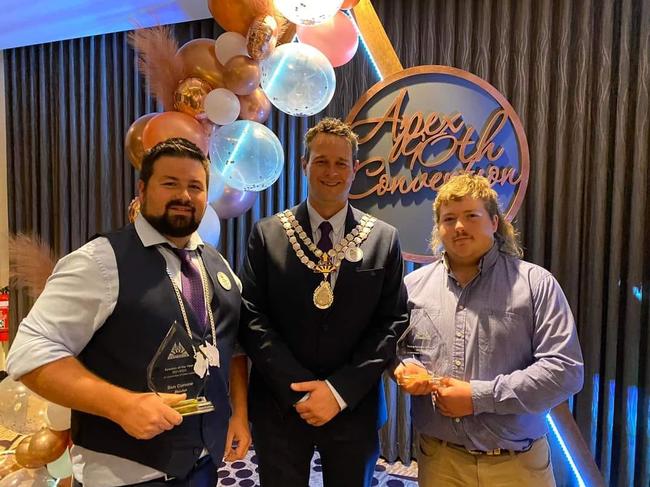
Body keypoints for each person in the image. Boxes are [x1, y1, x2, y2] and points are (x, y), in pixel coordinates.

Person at [6, 138, 251, 487]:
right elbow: (30, 352)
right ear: (142, 189)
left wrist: (238, 413)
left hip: (203, 466)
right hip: (123, 475)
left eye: (195, 186)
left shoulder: (216, 264)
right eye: (170, 183)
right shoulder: (99, 261)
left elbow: (234, 345)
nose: (183, 195)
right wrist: (121, 405)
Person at [238, 117, 408, 487]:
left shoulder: (383, 239)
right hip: (281, 407)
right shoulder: (267, 234)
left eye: (341, 163)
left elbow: (392, 322)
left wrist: (338, 391)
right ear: (304, 165)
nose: (331, 171)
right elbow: (252, 318)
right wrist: (299, 389)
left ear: (354, 170)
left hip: (354, 406)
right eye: (321, 161)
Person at [395, 173, 584, 487]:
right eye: (449, 218)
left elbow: (564, 371)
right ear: (438, 228)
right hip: (440, 462)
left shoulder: (536, 284)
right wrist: (407, 367)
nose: (459, 226)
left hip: (517, 465)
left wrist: (477, 397)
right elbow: (400, 350)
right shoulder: (412, 287)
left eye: (471, 215)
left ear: (495, 222)